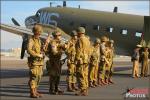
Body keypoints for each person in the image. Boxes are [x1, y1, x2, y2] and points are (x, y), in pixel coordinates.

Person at [27, 24, 44, 98]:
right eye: (39, 32)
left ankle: (36, 91)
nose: (40, 33)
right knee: (33, 77)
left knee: (38, 77)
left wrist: (42, 51)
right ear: (36, 32)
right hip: (34, 62)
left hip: (40, 62)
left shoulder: (39, 40)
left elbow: (40, 50)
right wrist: (37, 55)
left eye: (40, 32)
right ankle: (32, 92)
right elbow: (29, 50)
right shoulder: (31, 40)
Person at [75, 27, 91, 96]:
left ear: (79, 33)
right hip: (86, 59)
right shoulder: (87, 40)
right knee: (85, 74)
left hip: (81, 60)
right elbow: (89, 51)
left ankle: (82, 90)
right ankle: (86, 88)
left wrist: (76, 59)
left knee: (80, 75)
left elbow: (79, 51)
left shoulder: (79, 40)